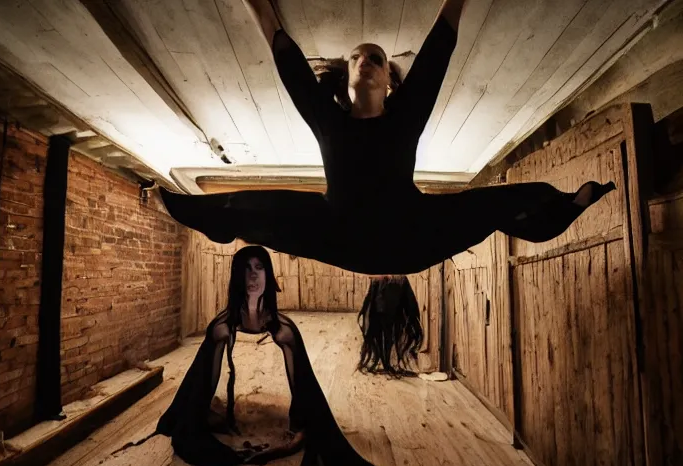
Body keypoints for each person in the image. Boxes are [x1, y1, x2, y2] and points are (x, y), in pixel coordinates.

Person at [158, 0, 615, 276]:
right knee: (255, 205)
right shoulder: (329, 120)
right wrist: (262, 10)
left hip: (409, 233)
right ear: (346, 78)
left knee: (489, 204)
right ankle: (199, 214)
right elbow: (292, 71)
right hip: (339, 232)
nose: (364, 61)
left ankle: (565, 205)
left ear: (390, 81)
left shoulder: (405, 116)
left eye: (374, 57)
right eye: (356, 57)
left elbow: (437, 54)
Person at [147, 245, 415, 466]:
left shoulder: (284, 329)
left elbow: (304, 382)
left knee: (289, 342)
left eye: (259, 268)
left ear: (268, 275)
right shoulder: (221, 327)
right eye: (246, 269)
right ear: (236, 277)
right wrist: (198, 413)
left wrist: (302, 424)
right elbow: (204, 375)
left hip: (276, 336)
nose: (252, 276)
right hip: (227, 332)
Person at [358, 275, 425, 377]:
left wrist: (413, 316)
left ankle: (387, 363)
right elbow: (371, 294)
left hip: (391, 311)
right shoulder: (382, 278)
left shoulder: (400, 278)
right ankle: (385, 363)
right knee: (382, 337)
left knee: (389, 337)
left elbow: (409, 299)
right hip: (380, 310)